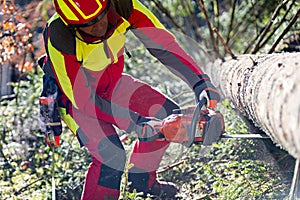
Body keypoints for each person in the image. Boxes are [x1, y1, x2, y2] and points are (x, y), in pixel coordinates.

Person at [39, 0, 220, 199]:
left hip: (114, 84)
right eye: (87, 25)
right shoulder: (59, 34)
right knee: (110, 155)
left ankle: (142, 187)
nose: (98, 27)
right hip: (75, 99)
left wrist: (200, 82)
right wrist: (136, 122)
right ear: (71, 24)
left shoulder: (125, 5)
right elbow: (82, 98)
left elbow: (162, 45)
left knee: (164, 115)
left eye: (100, 17)